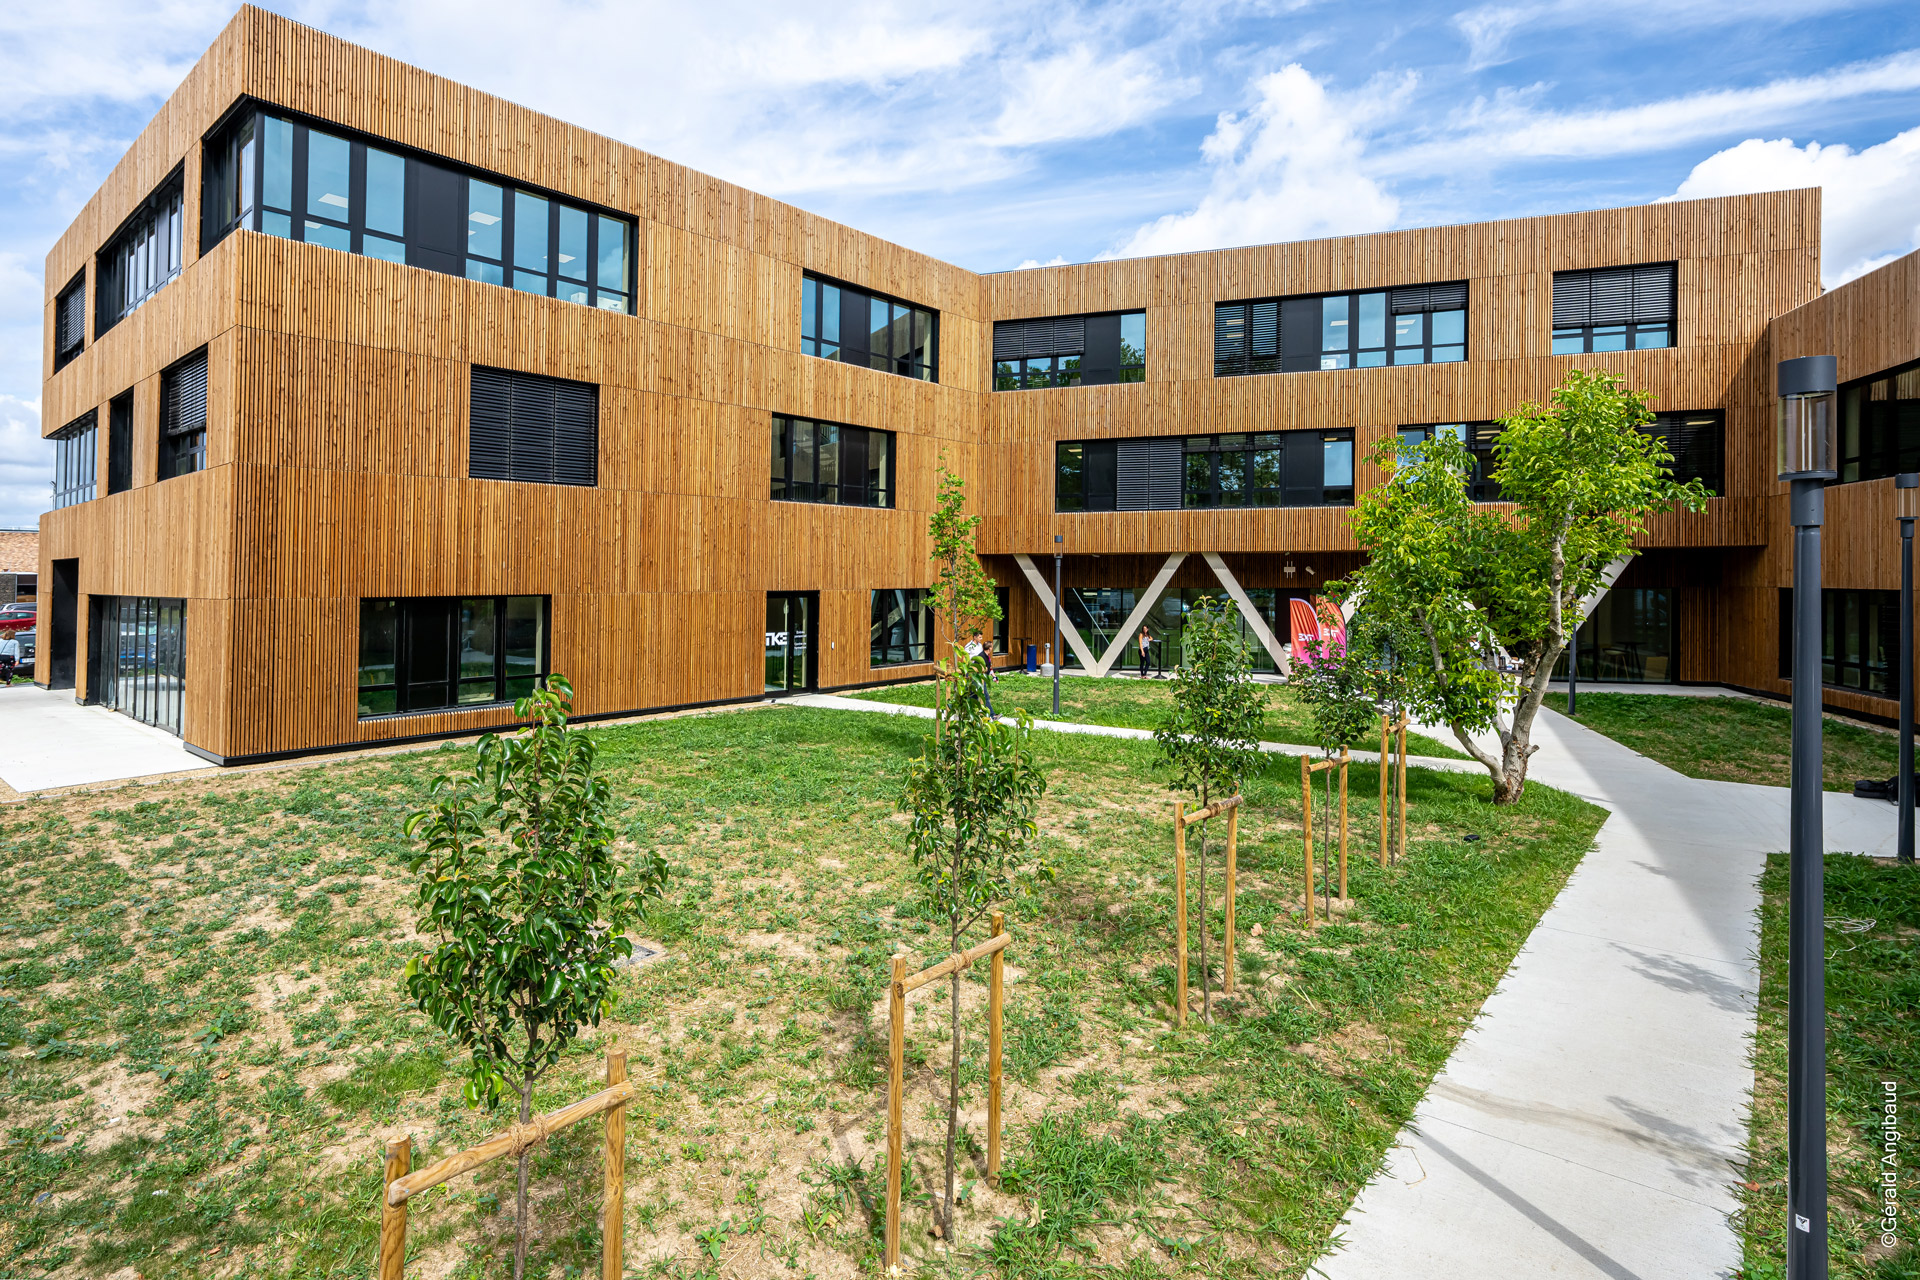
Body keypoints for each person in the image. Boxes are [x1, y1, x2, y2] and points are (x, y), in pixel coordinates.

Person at [965, 628, 994, 715]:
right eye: (980, 637)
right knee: (980, 693)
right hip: (972, 671)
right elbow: (965, 659)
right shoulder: (969, 646)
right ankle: (991, 714)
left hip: (980, 671)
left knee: (973, 693)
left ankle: (972, 711)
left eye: (981, 637)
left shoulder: (980, 646)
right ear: (975, 637)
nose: (981, 639)